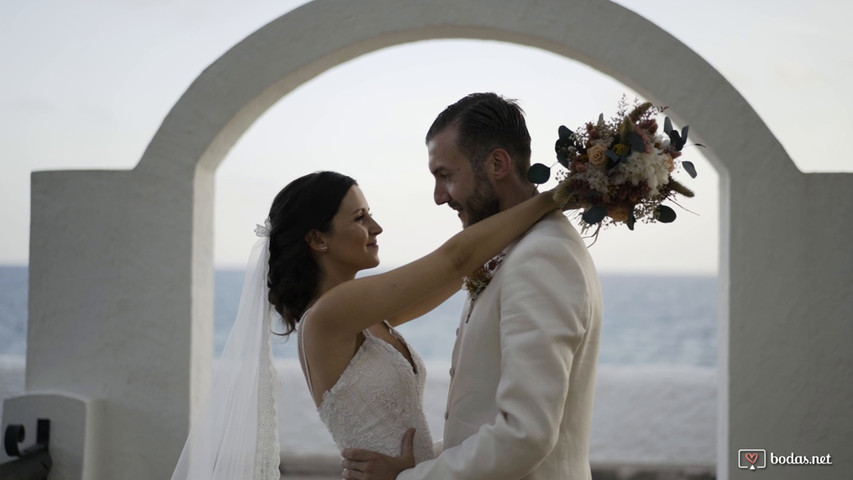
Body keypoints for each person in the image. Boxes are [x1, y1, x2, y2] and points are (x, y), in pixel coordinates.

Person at [170, 170, 563, 480]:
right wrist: (558, 196)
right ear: (318, 239)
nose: (376, 228)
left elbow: (463, 274)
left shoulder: (367, 317)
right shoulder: (329, 315)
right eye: (360, 218)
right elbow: (454, 260)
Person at [341, 93, 604, 480]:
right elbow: (484, 424)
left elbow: (525, 435)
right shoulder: (513, 251)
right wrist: (420, 465)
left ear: (497, 163)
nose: (438, 197)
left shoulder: (541, 257)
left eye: (446, 175)